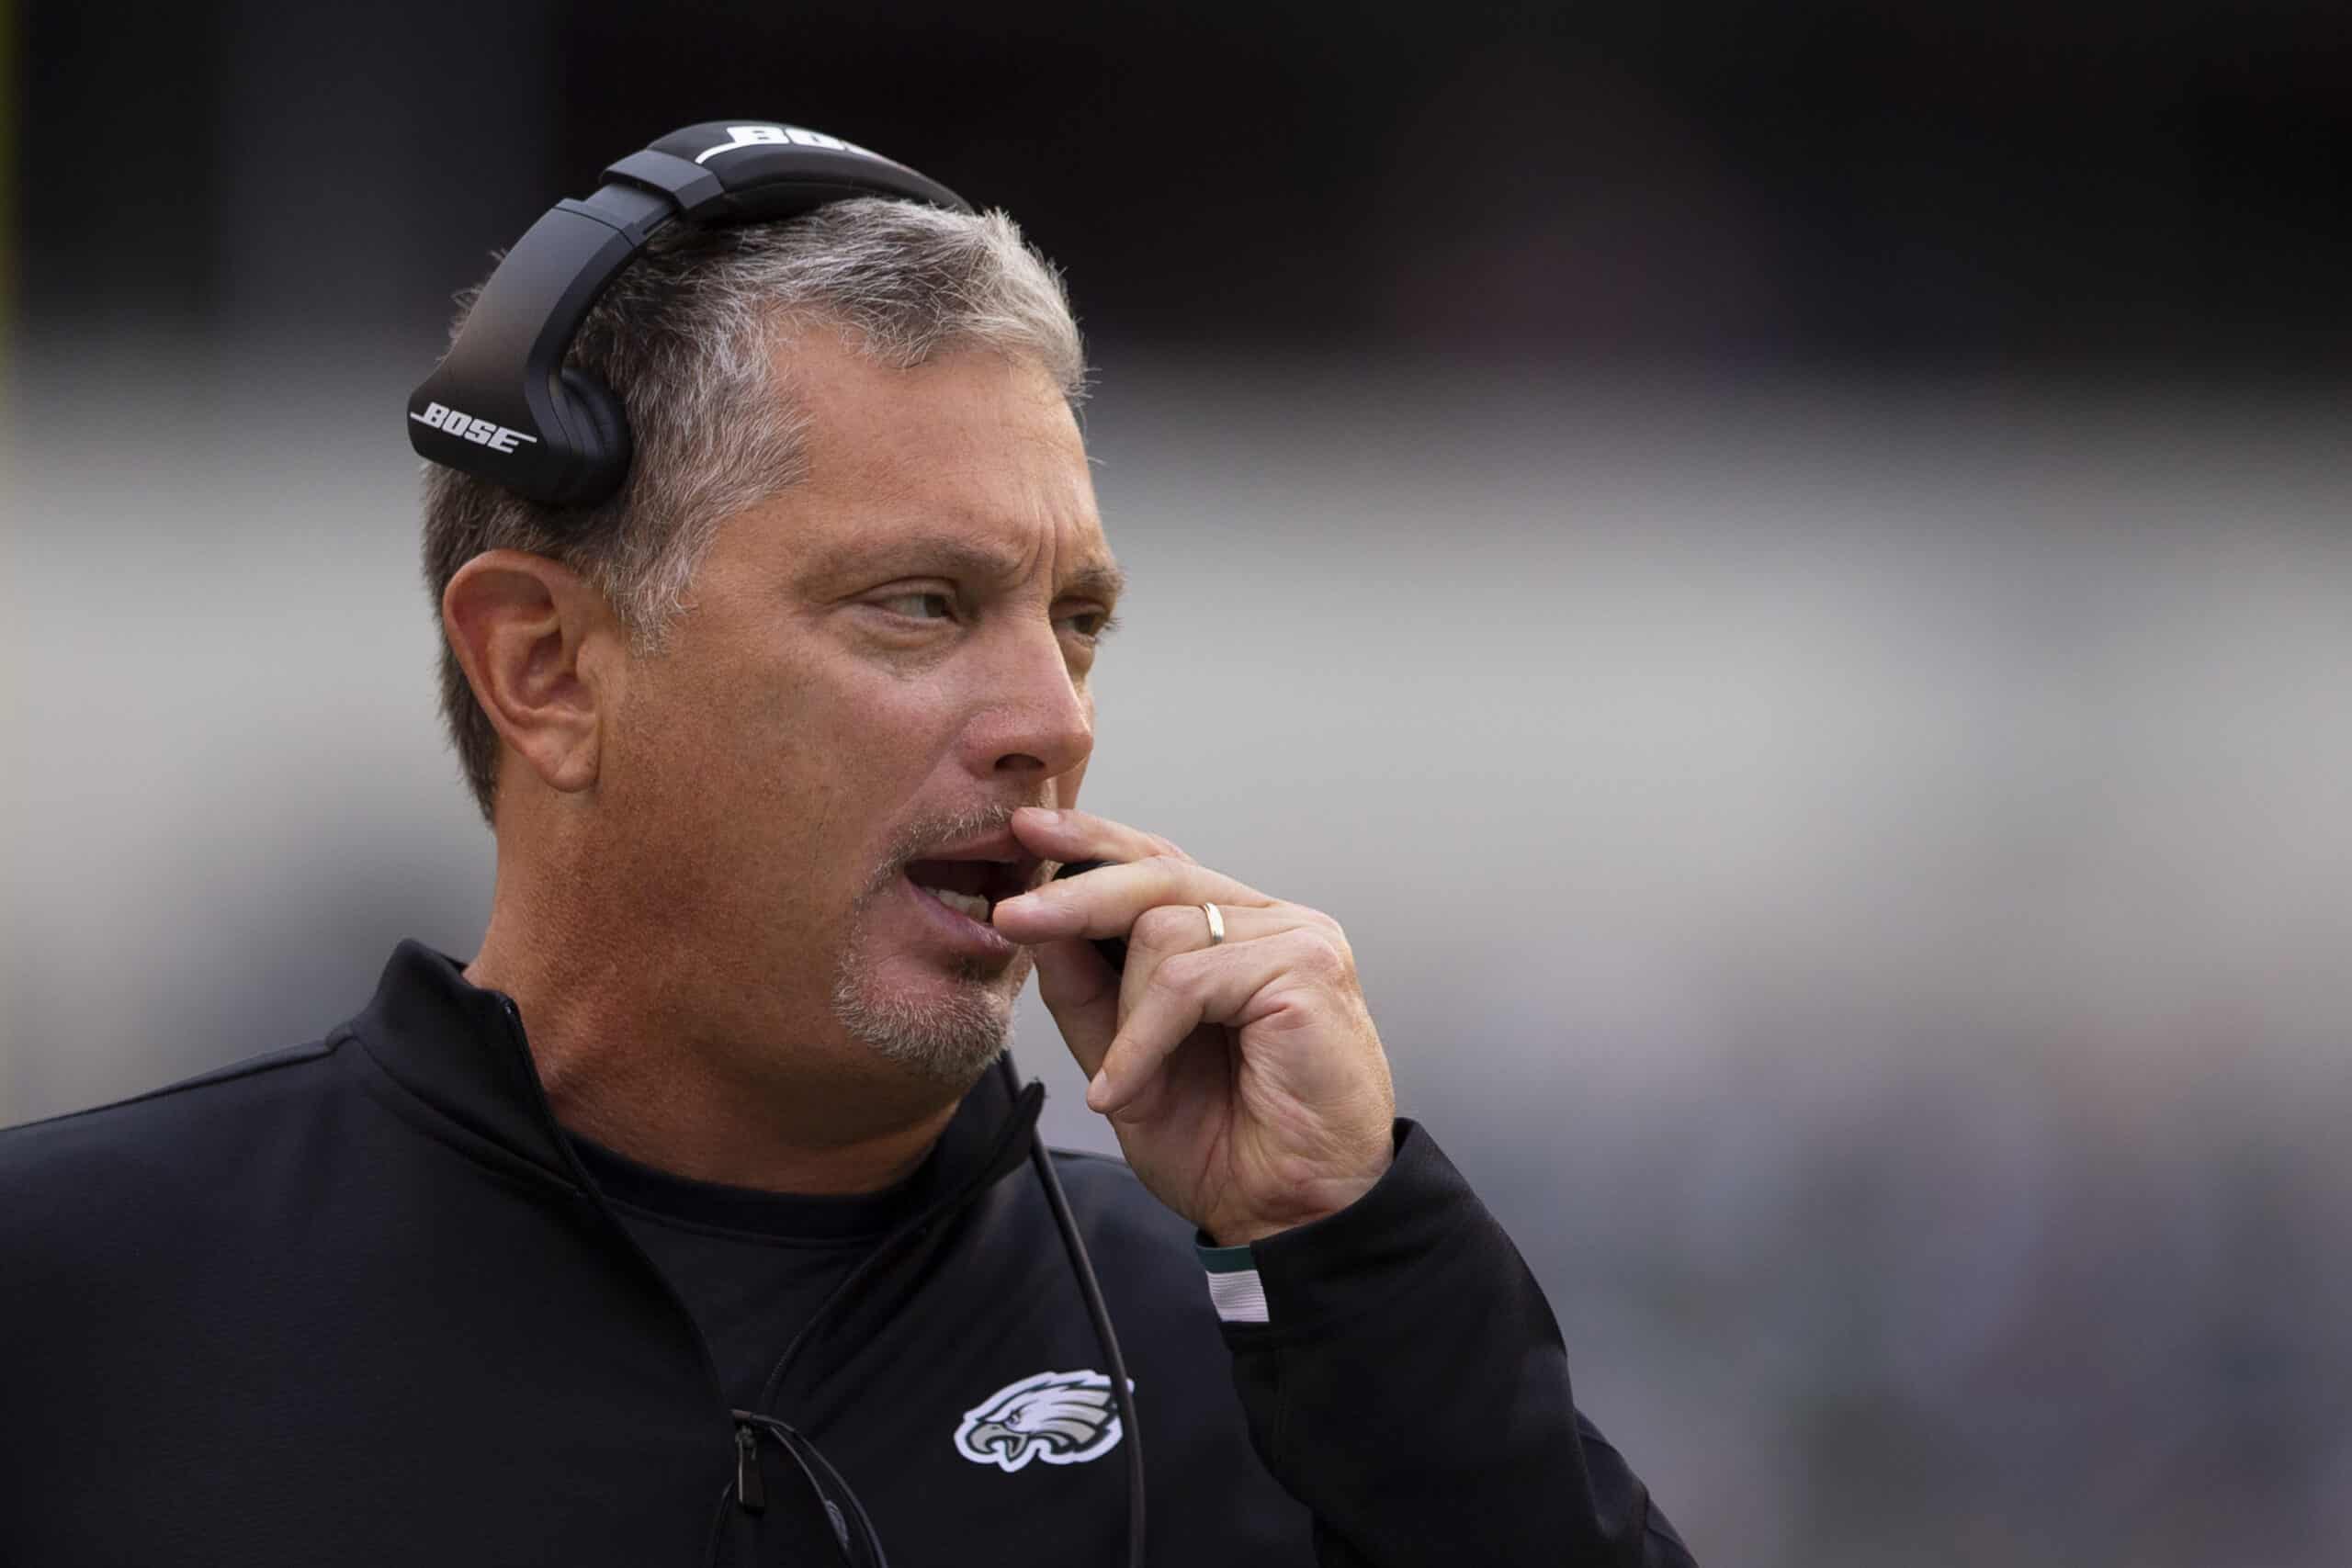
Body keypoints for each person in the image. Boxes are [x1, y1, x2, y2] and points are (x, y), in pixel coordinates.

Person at [0, 122, 1694, 1567]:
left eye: (1077, 619)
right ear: (547, 668)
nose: (1053, 713)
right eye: (919, 605)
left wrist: (1359, 1256)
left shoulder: (1291, 1364)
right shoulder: (72, 1301)